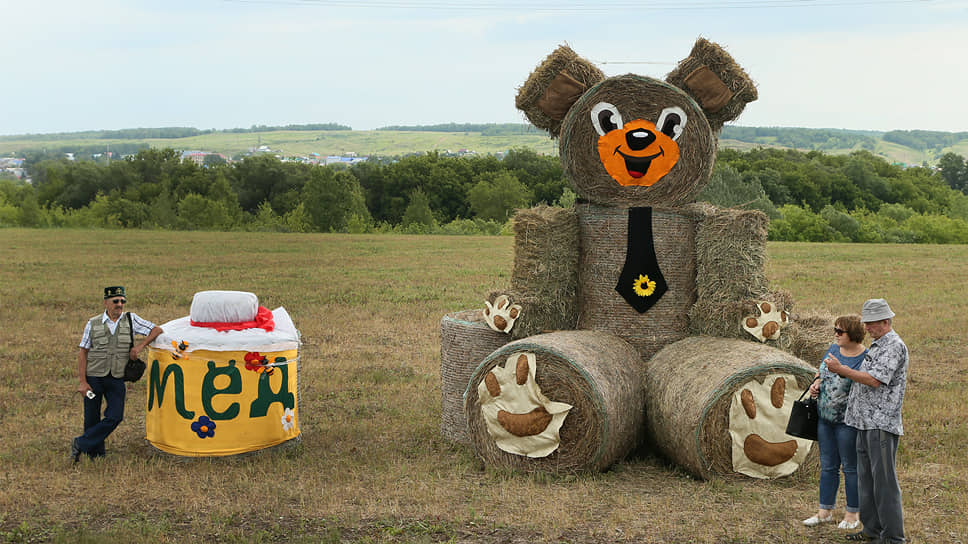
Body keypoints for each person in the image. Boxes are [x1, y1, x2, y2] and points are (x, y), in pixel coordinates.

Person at [825, 299, 908, 544]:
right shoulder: (877, 345)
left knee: (884, 483)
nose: (867, 328)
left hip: (881, 423)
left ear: (886, 321)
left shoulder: (893, 346)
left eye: (872, 324)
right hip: (863, 421)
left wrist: (842, 370)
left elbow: (874, 380)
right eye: (866, 323)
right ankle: (872, 530)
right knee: (867, 480)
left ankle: (893, 537)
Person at [72, 286, 163, 463]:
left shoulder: (131, 319)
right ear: (106, 303)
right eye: (116, 301)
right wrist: (82, 382)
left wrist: (140, 346)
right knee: (91, 416)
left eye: (122, 301)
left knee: (115, 416)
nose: (119, 304)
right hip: (94, 377)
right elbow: (83, 352)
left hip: (116, 378)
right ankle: (94, 455)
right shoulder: (93, 323)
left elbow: (157, 330)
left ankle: (80, 443)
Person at [802, 315, 867, 530]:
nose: (836, 334)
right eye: (835, 330)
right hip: (825, 418)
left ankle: (852, 514)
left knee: (850, 468)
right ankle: (824, 512)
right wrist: (816, 384)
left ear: (854, 335)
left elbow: (865, 384)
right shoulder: (833, 349)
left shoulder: (865, 357)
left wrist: (842, 370)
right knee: (828, 467)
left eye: (841, 331)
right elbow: (820, 373)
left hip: (848, 421)